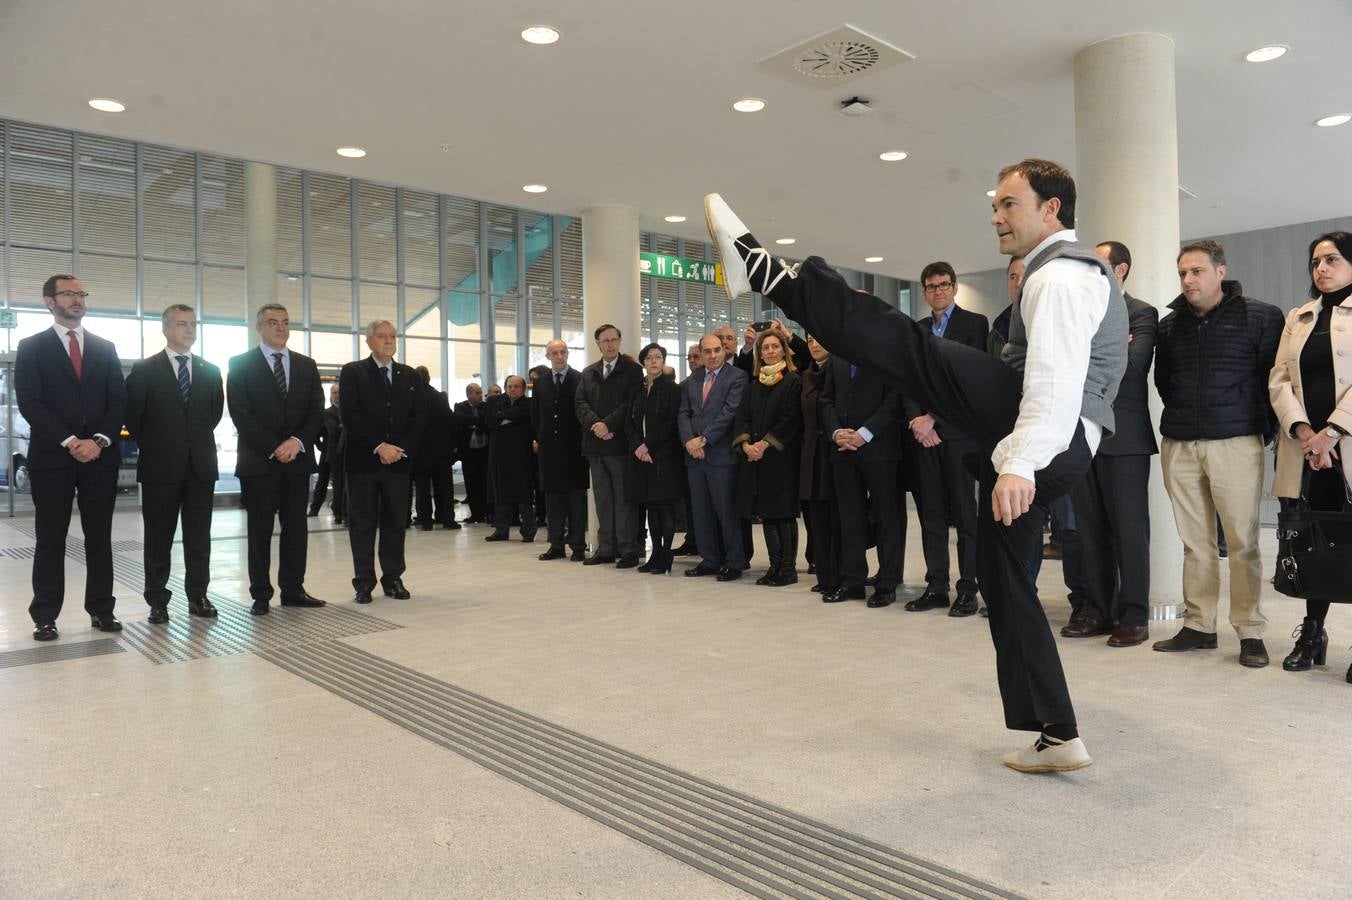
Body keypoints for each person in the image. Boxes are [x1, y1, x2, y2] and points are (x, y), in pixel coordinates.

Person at [704, 156, 1129, 773]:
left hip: (1044, 437)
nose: (996, 217)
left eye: (1009, 204)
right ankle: (1058, 733)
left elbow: (1055, 383)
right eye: (996, 205)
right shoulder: (1061, 274)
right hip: (1057, 445)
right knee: (1006, 584)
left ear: (1051, 209)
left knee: (910, 348)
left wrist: (1020, 465)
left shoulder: (1059, 278)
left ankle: (769, 273)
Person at [1152, 240, 1284, 666]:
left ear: (1220, 271)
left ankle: (1250, 631)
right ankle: (1199, 626)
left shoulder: (1261, 316)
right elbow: (1164, 380)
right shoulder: (1170, 326)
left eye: (1197, 271)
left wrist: (1259, 428)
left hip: (1236, 442)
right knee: (1196, 544)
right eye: (1183, 273)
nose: (1188, 280)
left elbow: (1274, 378)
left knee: (1243, 542)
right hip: (1180, 443)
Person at [15, 275, 127, 641]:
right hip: (52, 457)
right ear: (49, 301)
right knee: (51, 537)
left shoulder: (105, 347)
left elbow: (118, 401)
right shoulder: (31, 347)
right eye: (69, 294)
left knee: (100, 537)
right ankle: (45, 615)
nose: (77, 300)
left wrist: (98, 440)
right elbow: (30, 402)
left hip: (99, 457)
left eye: (81, 294)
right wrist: (69, 440)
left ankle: (101, 609)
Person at [1061, 241, 1160, 646]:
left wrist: (1094, 359)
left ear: (1120, 270)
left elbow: (1131, 367)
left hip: (1126, 437)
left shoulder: (1142, 312)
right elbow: (1064, 364)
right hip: (1083, 433)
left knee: (1129, 531)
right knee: (1090, 530)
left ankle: (1134, 616)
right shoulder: (1081, 311)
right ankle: (1098, 612)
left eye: (1099, 265)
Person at [1269, 231, 1352, 681]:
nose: (1321, 268)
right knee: (1314, 541)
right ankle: (1312, 633)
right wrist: (1304, 431)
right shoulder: (1299, 317)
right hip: (1306, 450)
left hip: (1345, 444)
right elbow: (1279, 378)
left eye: (1332, 260)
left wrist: (1332, 433)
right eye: (1316, 261)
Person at [124, 303, 224, 624]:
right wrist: (159, 446)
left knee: (199, 538)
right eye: (182, 324)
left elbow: (213, 415)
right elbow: (134, 418)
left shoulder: (210, 371)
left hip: (200, 466)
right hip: (159, 467)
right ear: (166, 329)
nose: (189, 329)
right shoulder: (144, 370)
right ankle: (157, 601)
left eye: (193, 324)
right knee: (158, 539)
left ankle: (198, 596)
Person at [227, 303, 327, 616]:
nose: (280, 328)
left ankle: (293, 590)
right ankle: (260, 594)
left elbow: (316, 410)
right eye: (273, 322)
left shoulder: (306, 365)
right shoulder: (240, 364)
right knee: (259, 530)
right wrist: (275, 446)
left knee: (296, 527)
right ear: (259, 327)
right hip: (259, 461)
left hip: (297, 461)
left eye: (285, 322)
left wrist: (296, 443)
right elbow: (241, 412)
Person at [905, 261, 988, 617]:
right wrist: (915, 420)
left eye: (943, 285)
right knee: (931, 516)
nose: (938, 291)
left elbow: (968, 378)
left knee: (966, 517)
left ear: (954, 287)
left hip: (958, 435)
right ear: (924, 292)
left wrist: (932, 418)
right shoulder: (917, 329)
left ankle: (968, 589)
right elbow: (907, 378)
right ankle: (936, 585)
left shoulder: (974, 325)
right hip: (924, 437)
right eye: (931, 286)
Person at [339, 321, 425, 604]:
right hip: (363, 462)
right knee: (362, 524)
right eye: (382, 336)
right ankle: (363, 582)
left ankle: (393, 578)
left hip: (398, 463)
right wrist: (379, 446)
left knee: (395, 522)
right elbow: (350, 415)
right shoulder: (354, 372)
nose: (388, 340)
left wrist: (400, 450)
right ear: (369, 342)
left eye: (392, 336)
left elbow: (419, 417)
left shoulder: (409, 375)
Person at [818, 344, 906, 609]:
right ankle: (853, 581)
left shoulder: (888, 352)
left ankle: (887, 583)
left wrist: (864, 433)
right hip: (843, 449)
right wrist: (836, 433)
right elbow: (826, 400)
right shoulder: (837, 355)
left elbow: (894, 400)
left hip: (880, 448)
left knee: (886, 518)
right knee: (850, 518)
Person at [733, 329, 804, 586]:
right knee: (767, 513)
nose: (771, 351)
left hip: (780, 458)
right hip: (756, 459)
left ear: (784, 350)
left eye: (775, 347)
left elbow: (790, 419)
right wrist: (746, 445)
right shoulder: (754, 385)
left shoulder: (793, 381)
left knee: (783, 513)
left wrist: (764, 444)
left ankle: (788, 568)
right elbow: (742, 418)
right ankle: (774, 566)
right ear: (759, 354)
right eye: (765, 348)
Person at [679, 334, 749, 581]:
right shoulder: (693, 378)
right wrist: (689, 441)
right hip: (694, 457)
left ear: (724, 351)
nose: (711, 355)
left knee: (726, 511)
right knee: (701, 511)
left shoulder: (737, 378)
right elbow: (684, 413)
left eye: (716, 350)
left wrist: (704, 439)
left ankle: (734, 561)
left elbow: (729, 413)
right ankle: (709, 560)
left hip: (721, 455)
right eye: (706, 351)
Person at [575, 324, 643, 567]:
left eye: (614, 339)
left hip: (620, 445)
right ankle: (606, 549)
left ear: (620, 340)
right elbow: (580, 403)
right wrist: (596, 425)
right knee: (602, 499)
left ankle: (628, 550)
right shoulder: (589, 372)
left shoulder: (633, 371)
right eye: (605, 341)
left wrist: (608, 425)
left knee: (624, 500)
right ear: (598, 344)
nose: (610, 344)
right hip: (595, 446)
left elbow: (630, 404)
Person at [625, 343, 685, 574]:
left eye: (658, 357)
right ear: (643, 362)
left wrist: (648, 444)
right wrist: (637, 446)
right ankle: (654, 555)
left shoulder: (672, 389)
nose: (653, 361)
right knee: (651, 509)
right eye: (649, 357)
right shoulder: (637, 390)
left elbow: (671, 423)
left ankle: (665, 554)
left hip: (664, 457)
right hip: (641, 457)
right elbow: (628, 422)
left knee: (665, 508)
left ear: (663, 361)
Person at [532, 340, 589, 561]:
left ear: (568, 354)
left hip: (574, 449)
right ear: (548, 357)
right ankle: (556, 545)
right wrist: (539, 438)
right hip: (549, 451)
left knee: (575, 500)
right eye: (554, 353)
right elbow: (536, 414)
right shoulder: (541, 383)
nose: (559, 356)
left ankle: (577, 546)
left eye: (563, 352)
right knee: (553, 500)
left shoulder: (580, 378)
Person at [484, 375, 537, 542]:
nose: (512, 389)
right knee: (500, 492)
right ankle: (501, 530)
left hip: (521, 456)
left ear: (523, 389)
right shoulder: (498, 403)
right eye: (509, 386)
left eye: (516, 386)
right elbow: (488, 421)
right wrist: (505, 417)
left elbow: (519, 413)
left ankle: (528, 530)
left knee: (523, 494)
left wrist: (500, 417)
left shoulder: (529, 404)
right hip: (499, 455)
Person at [412, 366, 459, 531]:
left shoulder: (412, 399)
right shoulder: (440, 397)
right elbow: (450, 421)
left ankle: (425, 521)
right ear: (429, 378)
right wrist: (454, 444)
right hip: (442, 450)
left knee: (423, 487)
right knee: (444, 486)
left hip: (420, 451)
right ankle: (447, 519)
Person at [309, 383, 346, 523]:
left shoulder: (347, 411)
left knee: (339, 483)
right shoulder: (327, 413)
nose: (337, 395)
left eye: (339, 392)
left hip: (342, 453)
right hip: (329, 453)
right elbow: (328, 431)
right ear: (331, 395)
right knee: (323, 482)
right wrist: (322, 447)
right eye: (334, 393)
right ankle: (314, 509)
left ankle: (338, 513)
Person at [454, 383, 490, 523]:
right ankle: (475, 514)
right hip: (468, 452)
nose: (480, 395)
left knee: (484, 482)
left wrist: (473, 423)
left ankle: (487, 512)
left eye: (481, 392)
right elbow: (459, 419)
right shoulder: (460, 406)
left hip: (484, 450)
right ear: (469, 394)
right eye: (477, 393)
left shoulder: (485, 406)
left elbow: (486, 421)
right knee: (471, 482)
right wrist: (477, 422)